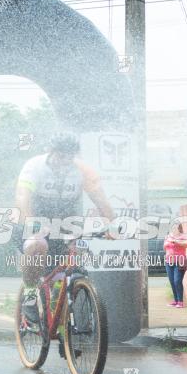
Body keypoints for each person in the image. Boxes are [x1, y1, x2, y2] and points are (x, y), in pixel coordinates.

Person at [14, 133, 114, 353]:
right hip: (32, 219)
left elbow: (101, 200)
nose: (64, 161)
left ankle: (65, 329)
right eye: (60, 156)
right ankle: (30, 295)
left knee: (72, 271)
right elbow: (22, 199)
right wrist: (34, 225)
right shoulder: (34, 166)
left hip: (66, 224)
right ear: (51, 151)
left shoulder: (82, 171)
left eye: (69, 157)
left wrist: (113, 224)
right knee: (37, 246)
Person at [164, 222, 187, 308]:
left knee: (177, 281)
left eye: (176, 227)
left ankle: (180, 302)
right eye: (173, 227)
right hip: (169, 262)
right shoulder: (168, 236)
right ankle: (175, 300)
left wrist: (176, 242)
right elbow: (165, 247)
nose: (174, 229)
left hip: (180, 262)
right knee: (172, 282)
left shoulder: (183, 236)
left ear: (179, 228)